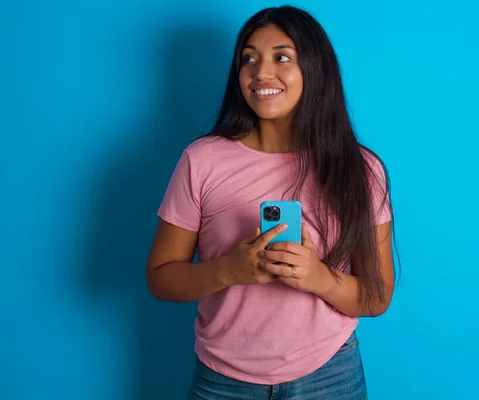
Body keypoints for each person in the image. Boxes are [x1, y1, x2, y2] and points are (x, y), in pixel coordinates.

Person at [146, 5, 397, 399]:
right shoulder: (202, 160)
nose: (261, 72)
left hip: (329, 375)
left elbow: (377, 296)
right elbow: (161, 277)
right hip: (223, 380)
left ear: (314, 69)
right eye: (249, 59)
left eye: (282, 57)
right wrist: (230, 270)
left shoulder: (361, 169)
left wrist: (315, 276)